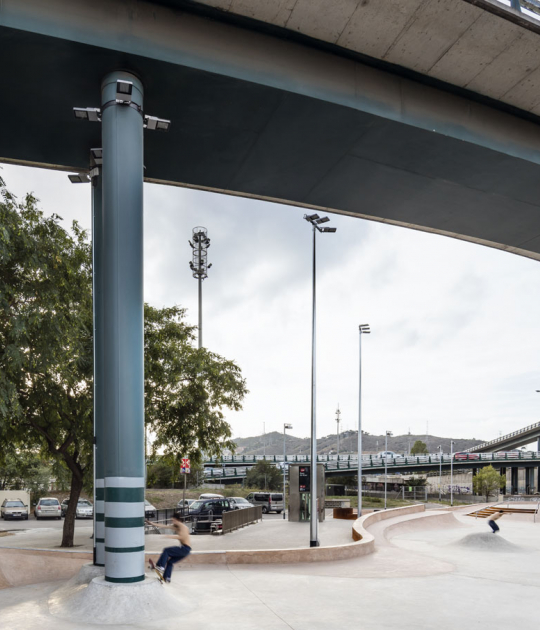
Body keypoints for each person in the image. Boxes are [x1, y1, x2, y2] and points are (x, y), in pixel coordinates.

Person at [146, 512, 191, 582]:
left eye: (173, 520)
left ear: (177, 520)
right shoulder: (176, 527)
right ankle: (167, 578)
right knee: (170, 562)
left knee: (166, 551)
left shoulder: (183, 527)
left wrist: (170, 536)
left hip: (185, 548)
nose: (172, 522)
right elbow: (163, 526)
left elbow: (182, 537)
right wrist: (151, 523)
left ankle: (161, 566)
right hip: (185, 550)